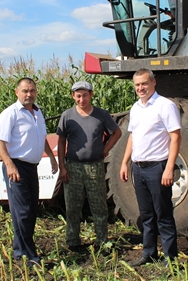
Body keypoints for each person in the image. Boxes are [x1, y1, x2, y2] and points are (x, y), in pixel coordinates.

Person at [119, 68, 181, 267]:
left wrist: (169, 168)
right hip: (138, 168)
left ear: (154, 82)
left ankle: (170, 258)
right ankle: (149, 253)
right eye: (137, 85)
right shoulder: (136, 108)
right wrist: (124, 162)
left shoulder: (165, 106)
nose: (140, 88)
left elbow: (175, 137)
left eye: (144, 84)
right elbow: (132, 137)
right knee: (146, 215)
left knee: (163, 214)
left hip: (157, 168)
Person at [0, 77, 58, 266]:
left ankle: (18, 251)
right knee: (23, 212)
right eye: (25, 91)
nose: (29, 94)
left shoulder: (37, 113)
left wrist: (51, 157)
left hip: (32, 167)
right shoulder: (10, 114)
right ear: (17, 92)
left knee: (30, 210)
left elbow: (42, 137)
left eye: (32, 91)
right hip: (17, 167)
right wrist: (9, 165)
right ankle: (31, 257)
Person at [56, 81, 122, 252]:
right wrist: (62, 166)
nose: (82, 99)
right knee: (73, 207)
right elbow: (61, 141)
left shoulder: (101, 115)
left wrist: (105, 150)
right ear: (73, 96)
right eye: (78, 95)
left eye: (85, 95)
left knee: (99, 205)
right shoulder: (67, 116)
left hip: (95, 166)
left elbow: (117, 133)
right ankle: (73, 241)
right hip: (73, 167)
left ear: (91, 95)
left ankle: (101, 242)